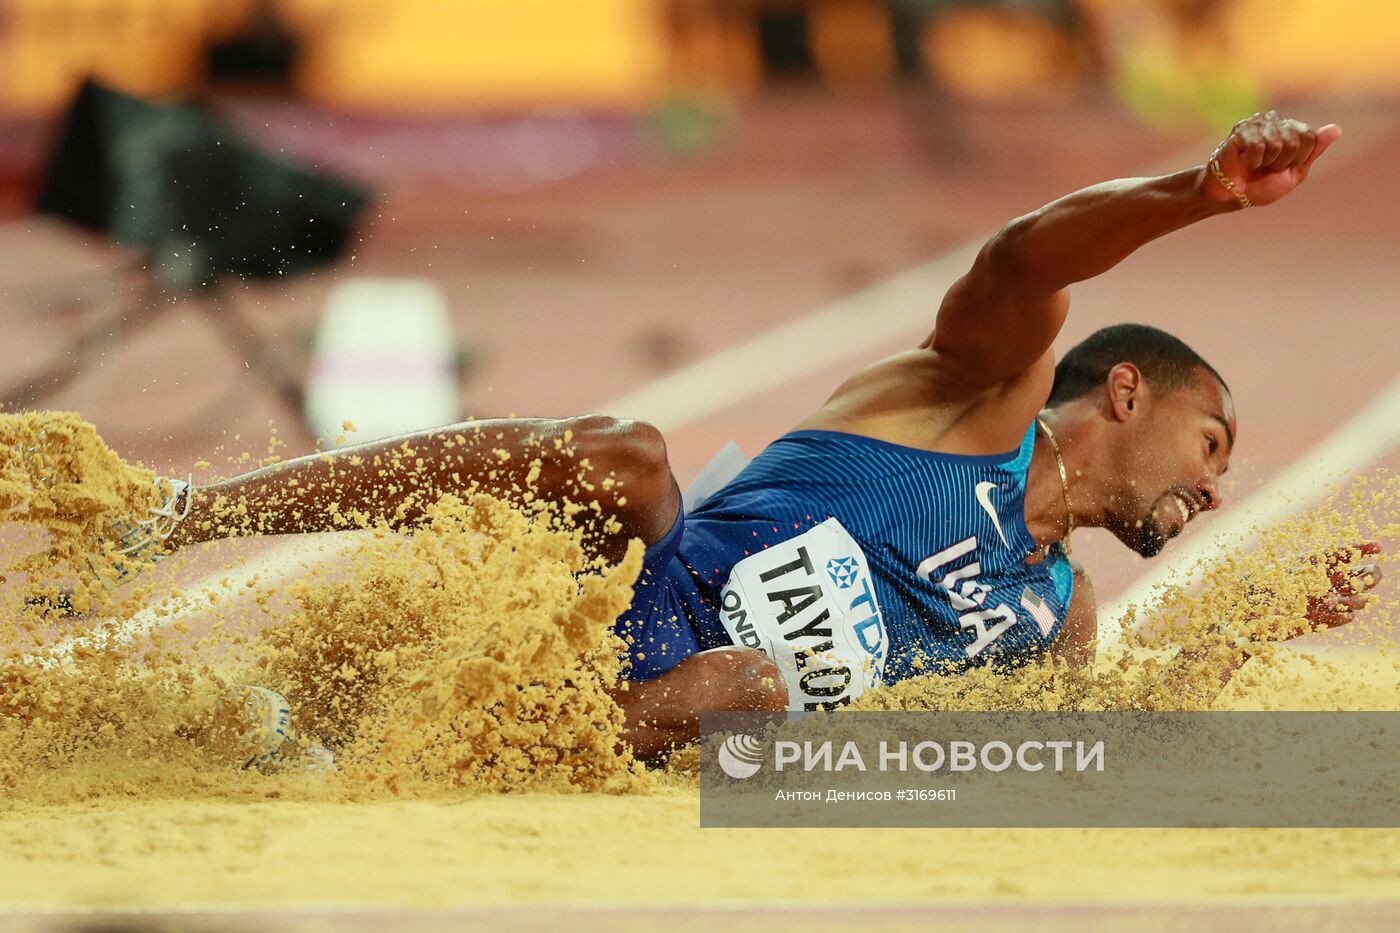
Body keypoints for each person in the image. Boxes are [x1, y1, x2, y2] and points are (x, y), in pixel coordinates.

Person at [111, 111, 1381, 758]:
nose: (1218, 487)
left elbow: (1080, 748)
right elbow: (1020, 255)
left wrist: (1257, 622)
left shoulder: (1056, 610)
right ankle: (179, 517)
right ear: (1123, 396)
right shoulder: (975, 404)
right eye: (1211, 444)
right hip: (634, 596)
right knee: (626, 450)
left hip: (684, 721)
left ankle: (443, 754)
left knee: (755, 686)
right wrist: (1193, 194)